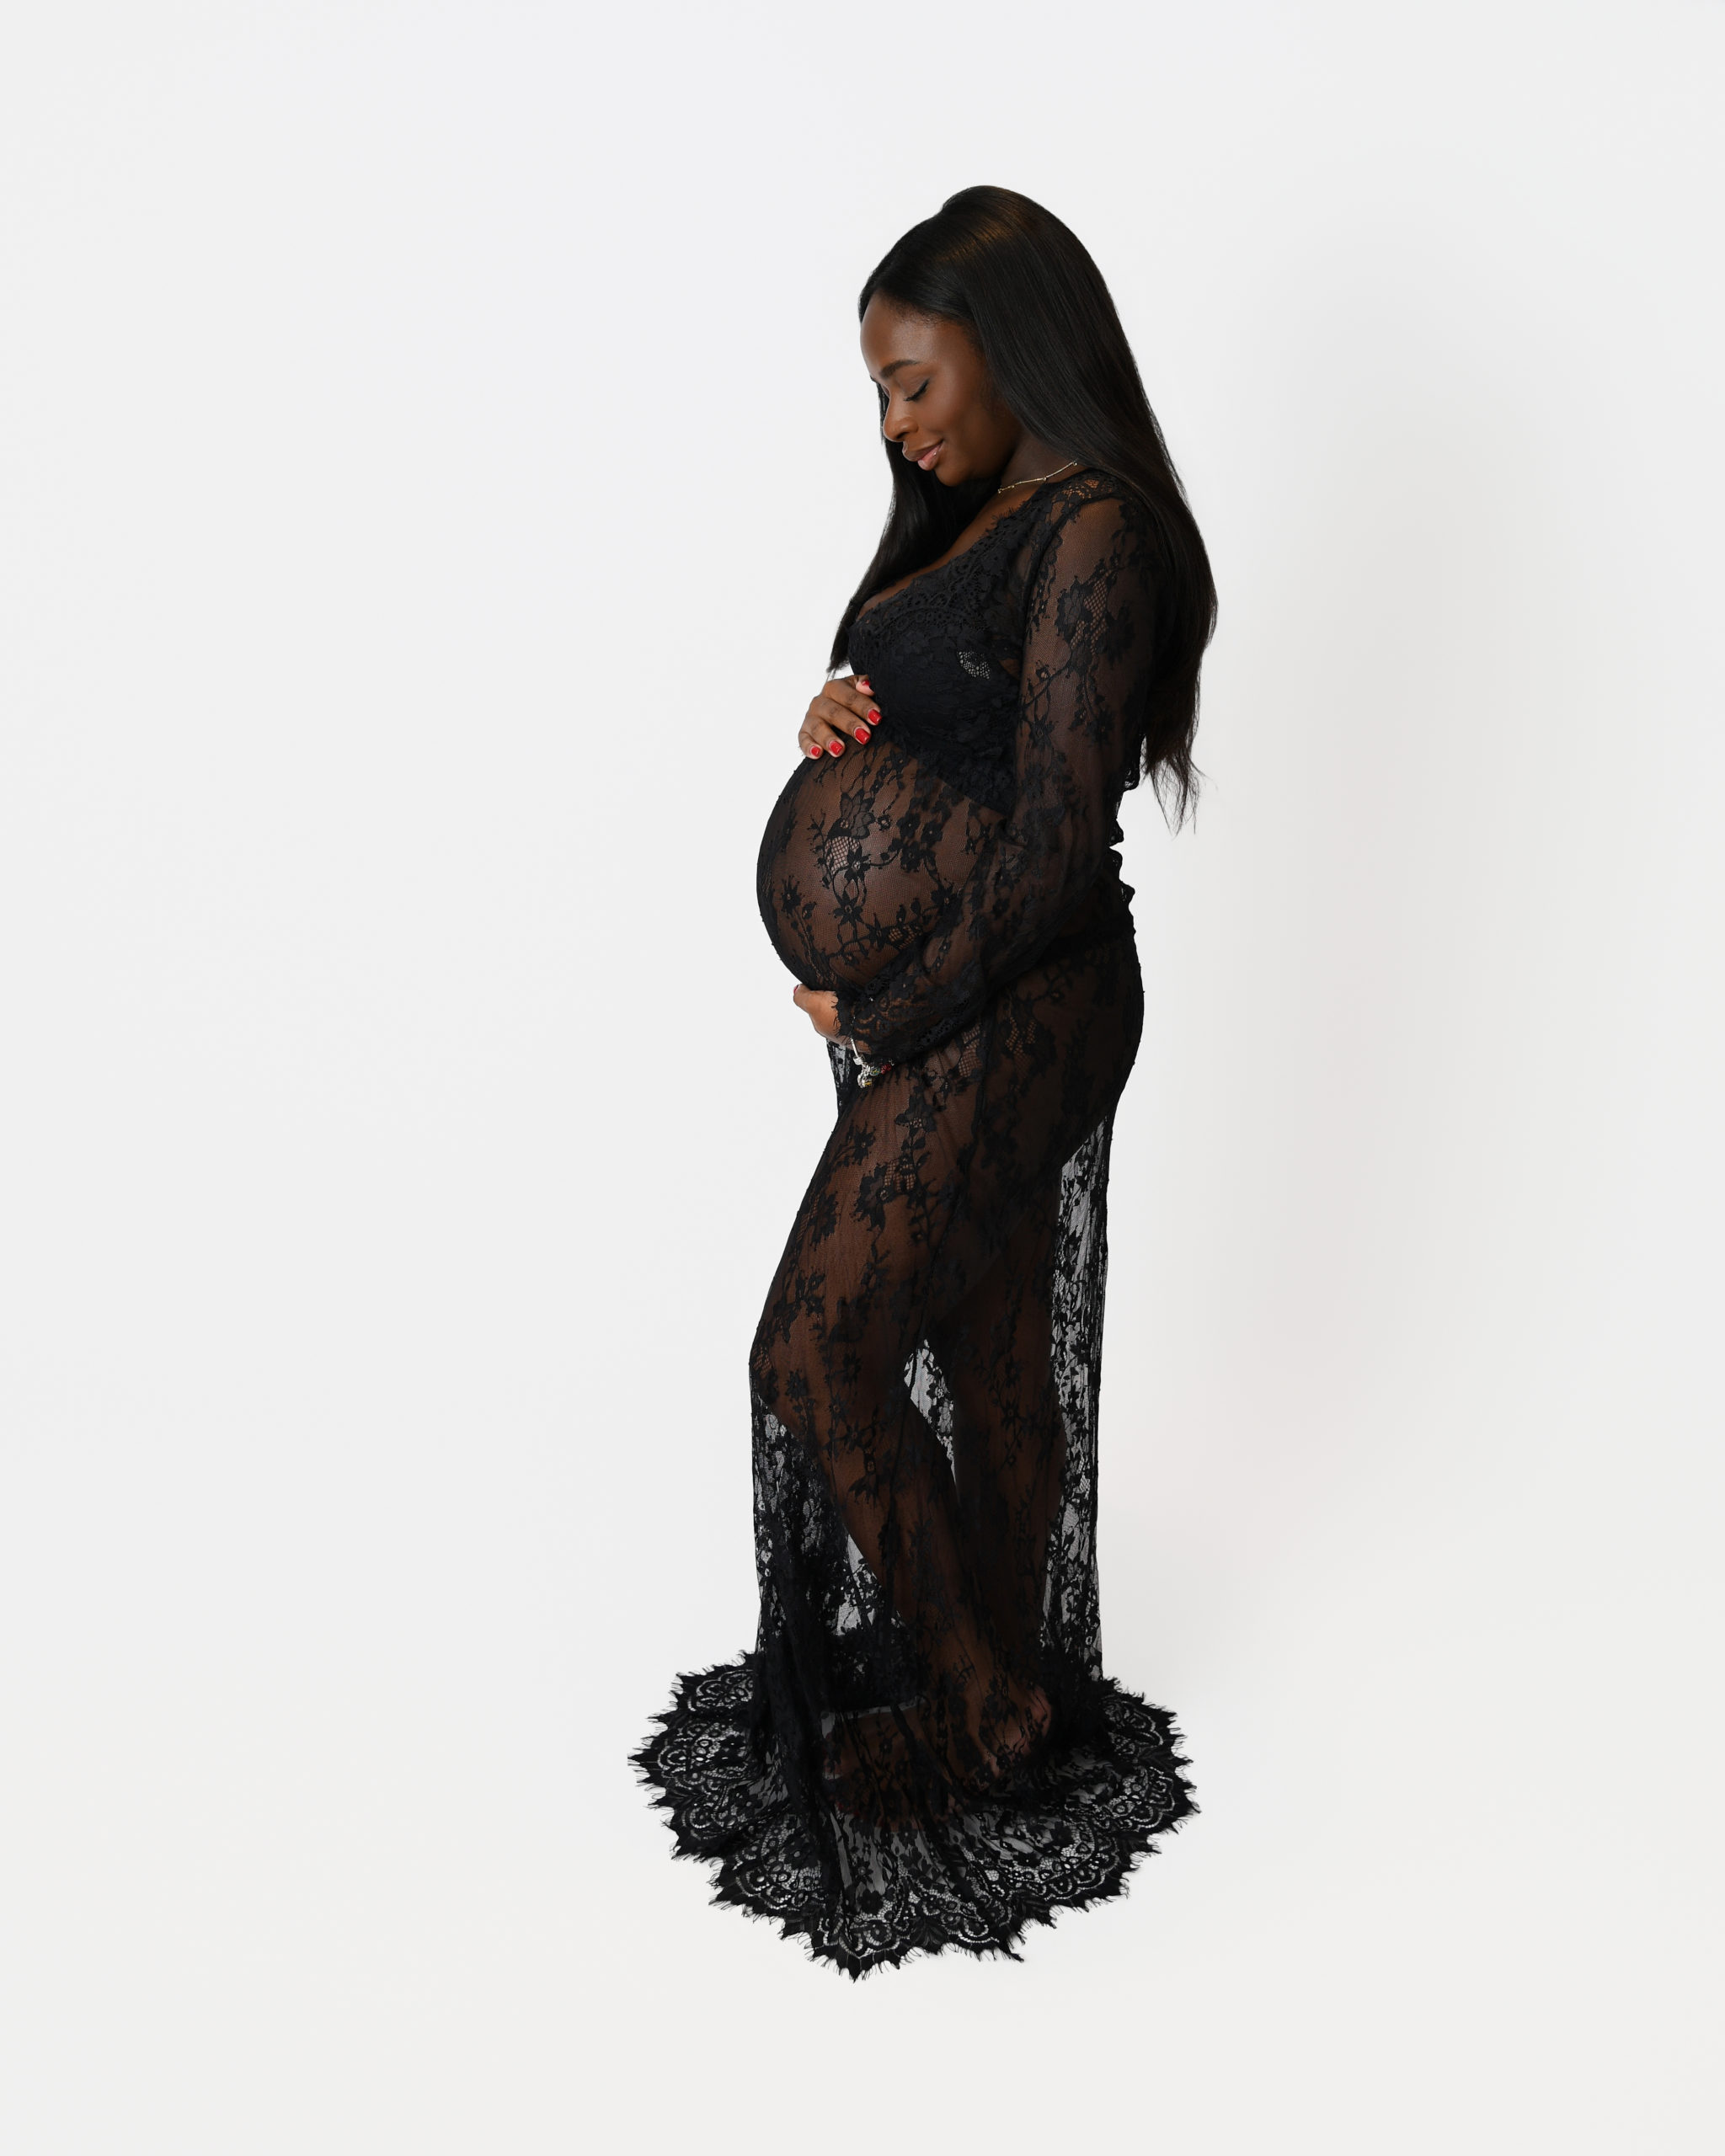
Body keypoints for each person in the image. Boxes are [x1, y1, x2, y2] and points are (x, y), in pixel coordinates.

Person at [635, 185, 1217, 1975]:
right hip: (967, 996)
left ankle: (973, 1689)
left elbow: (1047, 847)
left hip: (1027, 995)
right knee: (975, 1338)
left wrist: (888, 1000)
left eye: (911, 379)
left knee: (814, 1352)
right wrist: (836, 720)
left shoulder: (1096, 530)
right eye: (879, 393)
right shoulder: (985, 520)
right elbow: (939, 732)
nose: (895, 423)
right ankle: (1004, 1694)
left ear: (1008, 339)